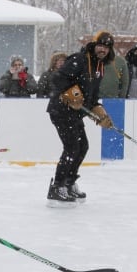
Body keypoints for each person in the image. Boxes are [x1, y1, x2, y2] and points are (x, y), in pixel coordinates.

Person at [45, 30, 115, 207]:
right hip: (60, 110)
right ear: (94, 45)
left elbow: (91, 98)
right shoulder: (79, 59)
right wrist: (71, 93)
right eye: (100, 45)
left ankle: (68, 182)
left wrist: (100, 113)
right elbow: (57, 78)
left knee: (83, 146)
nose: (103, 50)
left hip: (75, 113)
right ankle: (57, 187)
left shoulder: (99, 67)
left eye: (107, 47)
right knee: (72, 147)